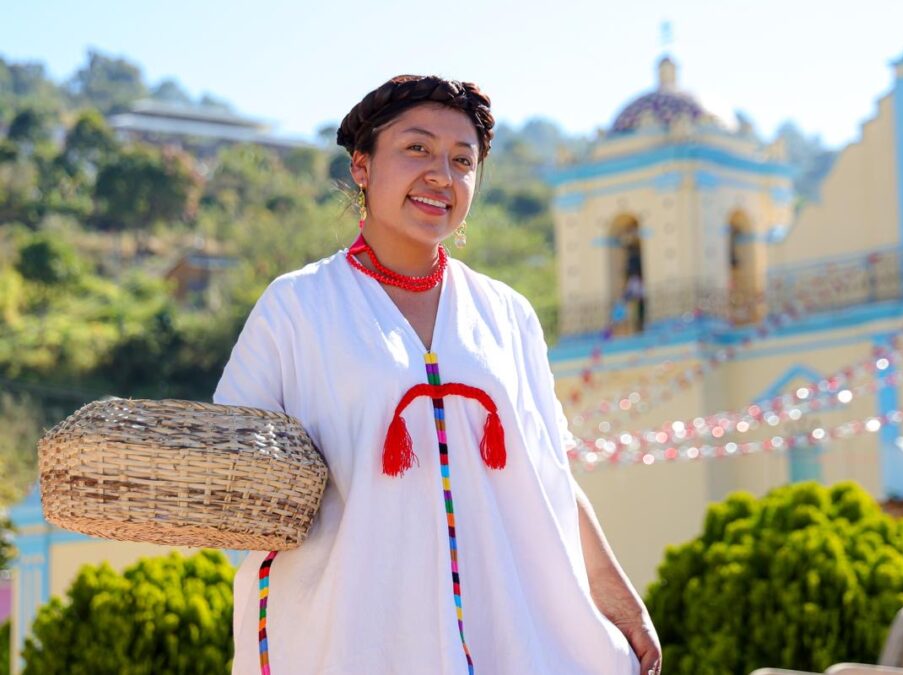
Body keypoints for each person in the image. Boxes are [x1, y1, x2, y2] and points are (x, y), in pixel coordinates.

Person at [214, 75, 662, 674]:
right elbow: (229, 477)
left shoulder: (508, 314)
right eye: (416, 149)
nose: (441, 176)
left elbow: (549, 473)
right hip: (355, 637)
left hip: (511, 634)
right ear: (362, 167)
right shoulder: (297, 307)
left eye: (462, 160)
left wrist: (616, 593)